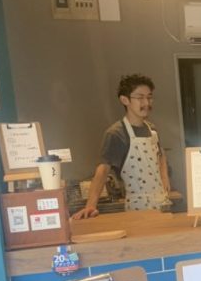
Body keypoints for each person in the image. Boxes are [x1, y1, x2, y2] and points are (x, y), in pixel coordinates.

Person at [72, 74, 171, 218]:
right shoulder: (116, 133)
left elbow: (161, 155)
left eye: (149, 97)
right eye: (140, 97)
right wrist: (90, 206)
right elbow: (103, 170)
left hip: (162, 203)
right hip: (138, 207)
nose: (146, 102)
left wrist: (165, 178)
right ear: (125, 100)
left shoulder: (152, 129)